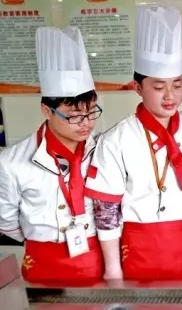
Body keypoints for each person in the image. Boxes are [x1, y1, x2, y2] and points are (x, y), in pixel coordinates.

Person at [85, 6, 182, 280]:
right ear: (137, 87)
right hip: (139, 246)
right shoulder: (116, 139)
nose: (170, 96)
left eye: (177, 85)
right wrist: (112, 268)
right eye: (158, 87)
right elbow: (106, 208)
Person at [0, 26, 104, 282]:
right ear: (46, 110)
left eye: (91, 111)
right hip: (43, 261)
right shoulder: (12, 162)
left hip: (97, 257)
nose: (86, 123)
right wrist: (42, 235)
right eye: (74, 116)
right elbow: (6, 220)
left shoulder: (104, 150)